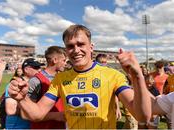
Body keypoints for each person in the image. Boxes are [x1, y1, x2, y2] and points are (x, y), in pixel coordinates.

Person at [8, 24, 151, 129]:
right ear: (66, 50)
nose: (76, 50)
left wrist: (137, 76)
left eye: (81, 44)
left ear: (91, 47)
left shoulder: (113, 75)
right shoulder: (60, 79)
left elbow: (142, 116)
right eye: (70, 46)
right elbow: (37, 114)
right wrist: (22, 99)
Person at [27, 46, 66, 129]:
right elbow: (28, 113)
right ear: (55, 60)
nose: (65, 63)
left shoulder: (63, 79)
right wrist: (55, 116)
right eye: (64, 60)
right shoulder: (36, 81)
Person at [5, 59, 43, 129]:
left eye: (40, 67)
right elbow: (11, 110)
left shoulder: (37, 85)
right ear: (26, 69)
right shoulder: (15, 85)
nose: (39, 70)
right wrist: (35, 110)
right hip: (17, 127)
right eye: (36, 68)